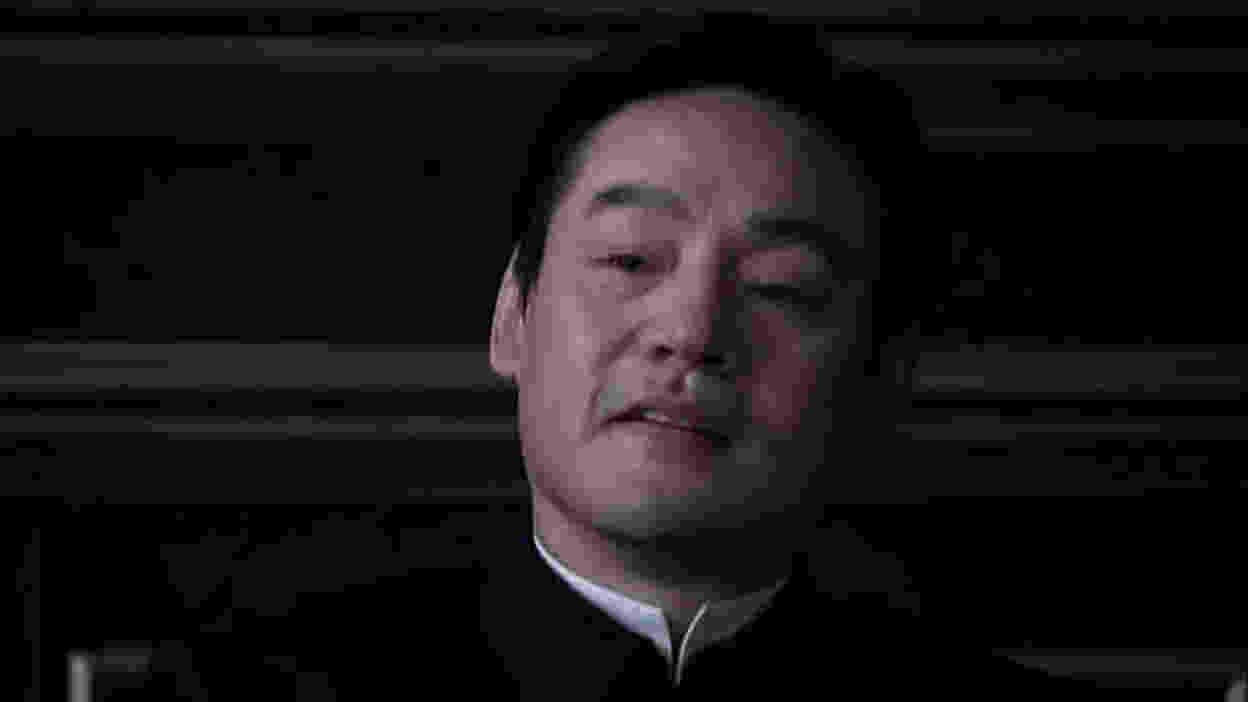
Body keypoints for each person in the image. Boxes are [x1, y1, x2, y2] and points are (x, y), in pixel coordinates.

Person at [146, 24, 1227, 700]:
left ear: (879, 376)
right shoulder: (242, 690)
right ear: (513, 317)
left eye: (786, 288)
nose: (692, 331)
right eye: (629, 259)